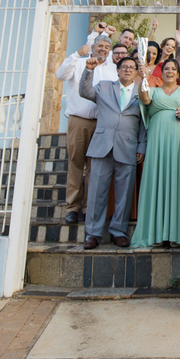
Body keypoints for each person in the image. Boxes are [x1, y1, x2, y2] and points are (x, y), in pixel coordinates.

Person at [78, 56, 147, 249]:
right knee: (96, 193)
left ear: (136, 72)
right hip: (102, 146)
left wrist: (141, 146)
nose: (127, 70)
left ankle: (119, 231)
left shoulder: (141, 93)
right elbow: (85, 91)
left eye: (131, 67)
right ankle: (93, 234)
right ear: (117, 71)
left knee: (124, 194)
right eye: (123, 67)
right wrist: (89, 71)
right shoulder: (104, 86)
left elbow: (144, 122)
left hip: (128, 148)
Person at [130, 59, 180, 248]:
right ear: (161, 72)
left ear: (178, 73)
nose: (170, 71)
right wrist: (143, 79)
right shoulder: (154, 90)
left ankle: (178, 235)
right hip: (157, 140)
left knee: (179, 180)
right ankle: (156, 234)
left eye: (173, 69)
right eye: (166, 69)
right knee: (157, 180)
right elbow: (144, 99)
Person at [55, 35, 110, 224]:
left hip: (100, 124)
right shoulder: (78, 63)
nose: (102, 49)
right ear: (93, 47)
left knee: (94, 167)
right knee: (76, 164)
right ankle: (72, 207)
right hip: (78, 120)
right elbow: (60, 74)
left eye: (106, 46)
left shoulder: (111, 70)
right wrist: (77, 53)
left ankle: (88, 207)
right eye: (100, 46)